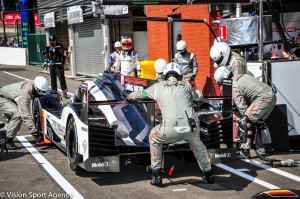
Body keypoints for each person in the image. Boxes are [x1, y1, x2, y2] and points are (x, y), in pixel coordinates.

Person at [128, 62, 214, 186]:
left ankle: (156, 175)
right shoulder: (187, 86)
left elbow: (139, 95)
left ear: (164, 75)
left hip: (170, 130)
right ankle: (208, 174)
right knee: (198, 146)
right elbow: (198, 96)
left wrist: (129, 96)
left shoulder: (158, 87)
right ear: (180, 76)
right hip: (191, 128)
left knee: (153, 137)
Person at [214, 66, 276, 159]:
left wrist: (241, 115)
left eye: (221, 83)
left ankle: (245, 151)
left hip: (263, 99)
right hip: (272, 96)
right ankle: (268, 147)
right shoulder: (240, 75)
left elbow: (243, 109)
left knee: (245, 121)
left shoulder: (233, 86)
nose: (222, 85)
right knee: (260, 122)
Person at [0, 76, 49, 149]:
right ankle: (8, 140)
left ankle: (3, 133)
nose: (41, 95)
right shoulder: (24, 96)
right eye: (40, 92)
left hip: (10, 96)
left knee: (13, 121)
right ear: (36, 89)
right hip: (2, 98)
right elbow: (26, 116)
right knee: (18, 115)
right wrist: (35, 133)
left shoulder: (35, 83)